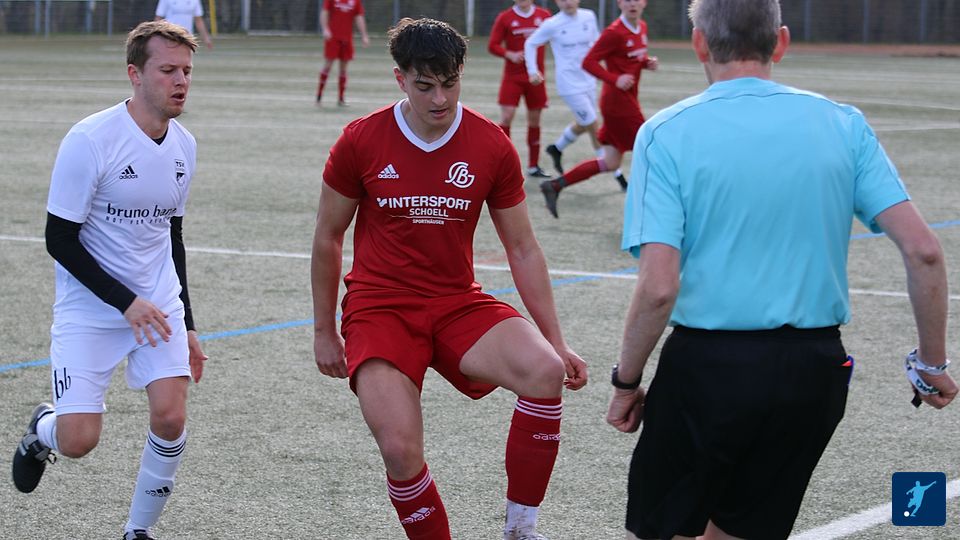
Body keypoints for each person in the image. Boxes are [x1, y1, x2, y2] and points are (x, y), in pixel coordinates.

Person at [606, 0, 957, 539]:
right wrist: (930, 362)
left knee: (661, 529)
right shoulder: (843, 123)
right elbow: (925, 251)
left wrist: (626, 382)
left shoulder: (666, 131)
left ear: (699, 43)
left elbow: (658, 288)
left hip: (707, 368)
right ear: (782, 42)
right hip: (814, 370)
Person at [311, 17, 588, 540]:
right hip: (380, 307)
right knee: (400, 449)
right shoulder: (361, 140)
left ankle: (520, 529)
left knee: (545, 370)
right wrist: (325, 330)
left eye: (450, 82)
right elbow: (328, 237)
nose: (440, 98)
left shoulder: (490, 144)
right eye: (425, 86)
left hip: (457, 302)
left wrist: (557, 339)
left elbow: (522, 247)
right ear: (400, 79)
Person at [11, 20, 208, 540]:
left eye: (187, 71)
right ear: (134, 74)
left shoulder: (185, 145)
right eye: (167, 70)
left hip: (158, 305)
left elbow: (172, 237)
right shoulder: (90, 140)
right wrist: (125, 302)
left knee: (171, 417)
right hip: (92, 310)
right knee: (78, 440)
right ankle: (42, 430)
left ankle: (137, 531)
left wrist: (187, 323)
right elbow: (59, 240)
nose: (180, 81)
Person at [539, 0, 658, 219]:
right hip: (618, 104)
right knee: (653, 149)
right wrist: (614, 79)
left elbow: (630, 58)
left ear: (644, 3)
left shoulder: (641, 27)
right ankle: (651, 213)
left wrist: (645, 63)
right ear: (619, 3)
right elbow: (589, 62)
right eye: (627, 0)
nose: (632, 4)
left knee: (610, 162)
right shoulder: (614, 32)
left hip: (628, 99)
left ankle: (555, 186)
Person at [523, 0, 603, 180]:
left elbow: (597, 43)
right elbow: (530, 43)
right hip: (569, 85)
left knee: (584, 122)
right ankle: (612, 168)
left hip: (589, 81)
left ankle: (557, 148)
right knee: (592, 122)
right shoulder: (552, 24)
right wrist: (532, 71)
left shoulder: (589, 16)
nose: (567, 2)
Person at [488, 0, 554, 179]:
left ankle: (533, 166)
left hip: (536, 78)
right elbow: (493, 45)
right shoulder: (505, 17)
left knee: (535, 120)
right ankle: (504, 163)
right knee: (507, 117)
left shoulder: (544, 16)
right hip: (513, 77)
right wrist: (509, 54)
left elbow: (556, 37)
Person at [316, 0, 369, 106]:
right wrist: (325, 29)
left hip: (347, 38)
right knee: (328, 66)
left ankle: (341, 98)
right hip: (333, 37)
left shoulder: (355, 1)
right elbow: (324, 12)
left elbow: (359, 17)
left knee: (343, 69)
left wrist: (364, 35)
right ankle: (319, 96)